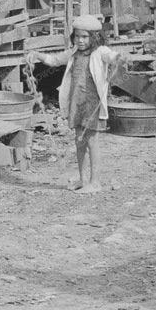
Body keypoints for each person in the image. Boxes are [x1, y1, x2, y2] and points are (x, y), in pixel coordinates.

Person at [27, 15, 120, 193]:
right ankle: (83, 180)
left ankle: (95, 182)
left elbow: (111, 56)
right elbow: (54, 60)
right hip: (77, 103)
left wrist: (119, 59)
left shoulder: (99, 52)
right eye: (77, 36)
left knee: (92, 141)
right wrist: (37, 55)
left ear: (95, 37)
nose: (80, 40)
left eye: (85, 37)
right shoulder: (73, 53)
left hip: (92, 104)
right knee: (79, 141)